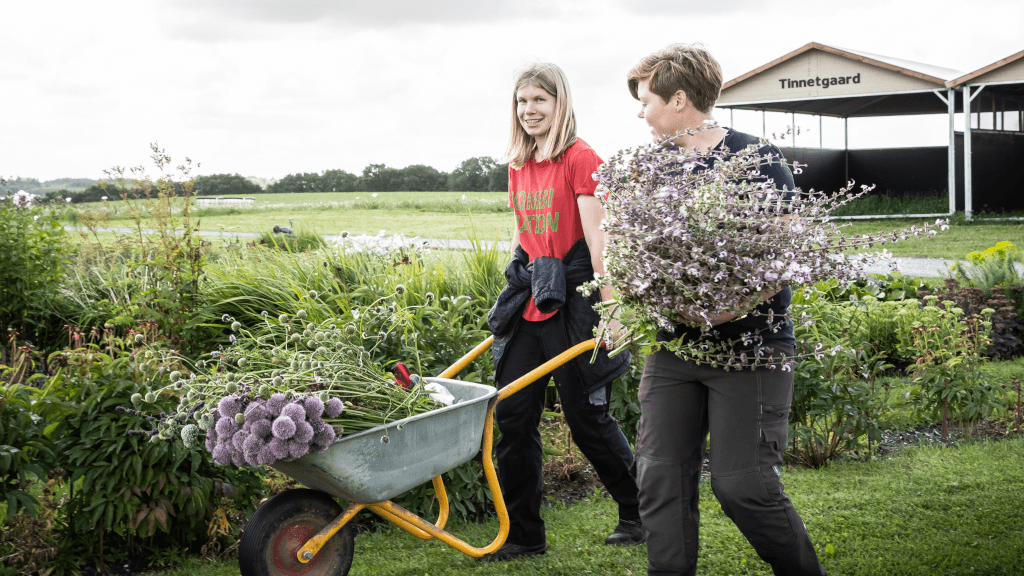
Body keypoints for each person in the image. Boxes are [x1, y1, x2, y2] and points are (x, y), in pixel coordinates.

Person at [615, 44, 828, 576]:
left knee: (743, 484)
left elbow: (785, 255)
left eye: (645, 101)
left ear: (679, 99)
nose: (640, 113)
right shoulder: (646, 169)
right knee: (661, 478)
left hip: (751, 348)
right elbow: (627, 247)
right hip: (675, 348)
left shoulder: (756, 159)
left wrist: (728, 308)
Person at [484, 63, 644, 561]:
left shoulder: (581, 158)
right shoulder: (518, 163)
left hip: (575, 300)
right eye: (522, 101)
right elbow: (523, 230)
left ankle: (640, 514)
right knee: (512, 415)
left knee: (586, 417)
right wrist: (515, 274)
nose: (529, 111)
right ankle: (525, 534)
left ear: (560, 104)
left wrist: (613, 310)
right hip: (532, 299)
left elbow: (600, 242)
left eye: (539, 101)